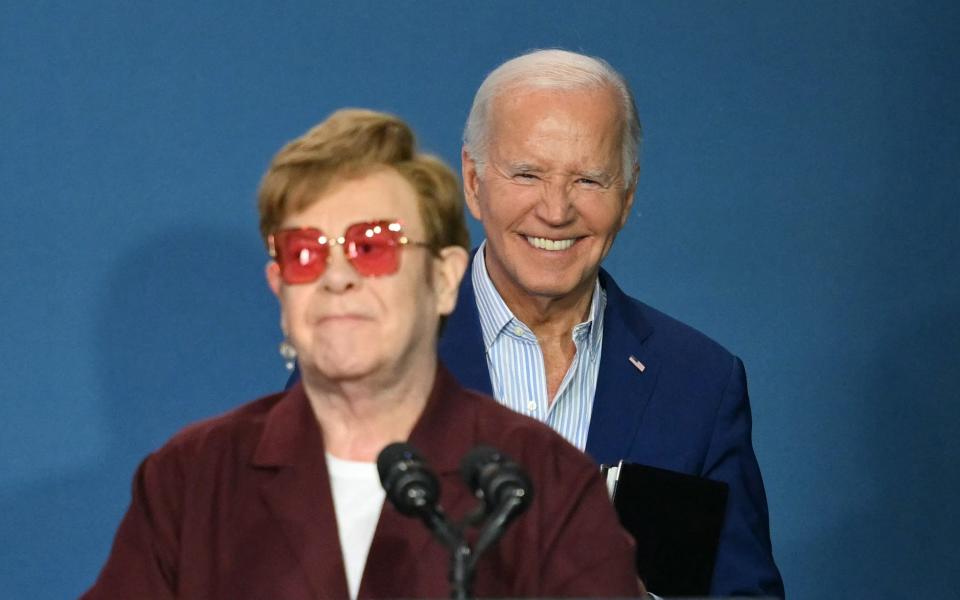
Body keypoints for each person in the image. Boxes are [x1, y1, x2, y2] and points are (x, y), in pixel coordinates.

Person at [82, 109, 643, 599]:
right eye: (304, 254)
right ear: (280, 289)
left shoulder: (541, 481)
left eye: (371, 246)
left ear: (445, 278)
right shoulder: (192, 478)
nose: (337, 278)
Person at [439, 49, 785, 597]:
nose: (556, 210)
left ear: (627, 195)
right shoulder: (374, 361)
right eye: (528, 173)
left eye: (589, 180)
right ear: (474, 180)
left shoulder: (699, 384)